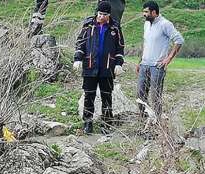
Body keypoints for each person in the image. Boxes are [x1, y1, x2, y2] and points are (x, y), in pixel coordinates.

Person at [73, 1, 125, 134]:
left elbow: (120, 47)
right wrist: (78, 59)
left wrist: (119, 63)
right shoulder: (88, 25)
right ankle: (87, 122)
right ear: (97, 12)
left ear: (109, 15)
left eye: (105, 14)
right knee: (89, 95)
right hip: (90, 65)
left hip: (107, 67)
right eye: (100, 14)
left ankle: (107, 124)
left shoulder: (115, 27)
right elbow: (80, 42)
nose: (101, 17)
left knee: (106, 96)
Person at [136, 1, 184, 119]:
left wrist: (168, 58)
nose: (144, 14)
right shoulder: (146, 24)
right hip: (144, 64)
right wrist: (140, 62)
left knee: (155, 96)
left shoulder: (165, 24)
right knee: (140, 94)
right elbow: (146, 43)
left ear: (154, 12)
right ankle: (144, 120)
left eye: (146, 12)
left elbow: (179, 40)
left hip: (157, 67)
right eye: (143, 11)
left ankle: (157, 122)